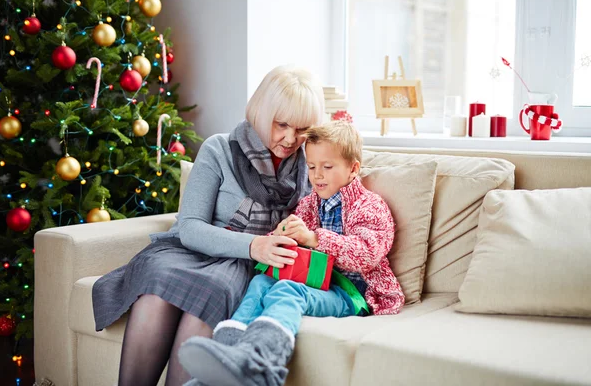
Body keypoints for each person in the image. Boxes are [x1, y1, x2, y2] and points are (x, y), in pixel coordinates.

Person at [91, 65, 325, 386]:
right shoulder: (219, 149)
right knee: (156, 286)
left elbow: (317, 226)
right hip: (190, 249)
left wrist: (295, 237)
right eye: (281, 124)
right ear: (261, 112)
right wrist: (253, 245)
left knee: (210, 294)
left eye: (301, 129)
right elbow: (189, 228)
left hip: (242, 266)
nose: (289, 139)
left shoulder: (311, 167)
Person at [178, 120, 405, 386]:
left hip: (351, 292)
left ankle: (261, 364)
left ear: (353, 169)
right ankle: (227, 358)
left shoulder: (369, 206)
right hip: (316, 280)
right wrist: (283, 234)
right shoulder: (310, 204)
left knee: (288, 291)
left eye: (327, 167)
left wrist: (314, 238)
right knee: (261, 282)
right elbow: (288, 242)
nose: (317, 175)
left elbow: (366, 253)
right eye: (311, 167)